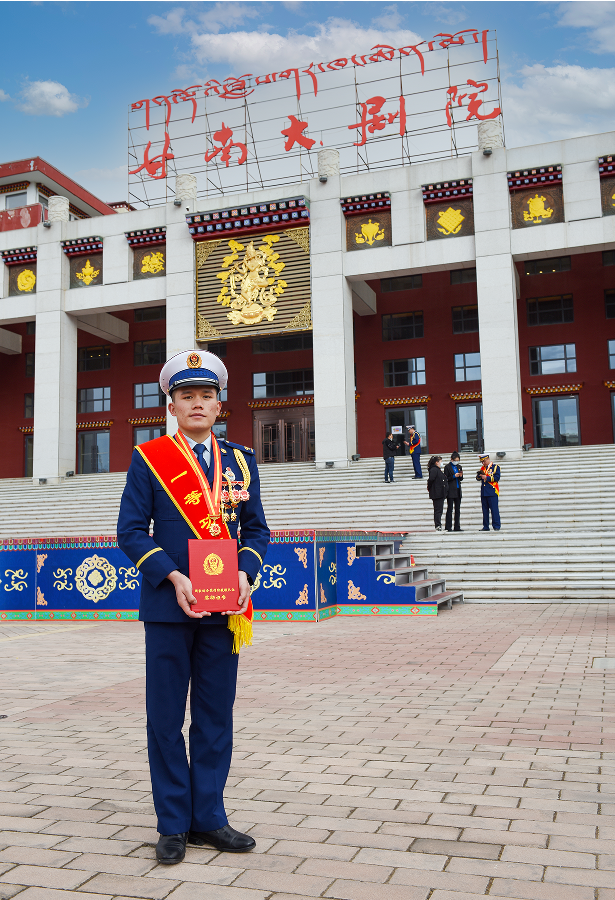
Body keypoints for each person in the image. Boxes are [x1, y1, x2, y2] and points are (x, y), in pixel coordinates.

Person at [117, 350, 270, 865]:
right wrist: (174, 575)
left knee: (213, 715)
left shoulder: (242, 460)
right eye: (187, 396)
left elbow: (256, 530)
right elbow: (130, 531)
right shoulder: (149, 458)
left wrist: (246, 574)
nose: (198, 403)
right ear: (172, 405)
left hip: (225, 609)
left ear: (220, 403)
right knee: (164, 718)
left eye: (207, 395)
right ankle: (172, 822)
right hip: (167, 606)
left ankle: (209, 817)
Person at [476, 452, 501, 531]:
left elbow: (497, 478)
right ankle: (486, 526)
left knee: (494, 509)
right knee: (485, 510)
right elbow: (478, 478)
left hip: (492, 491)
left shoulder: (495, 467)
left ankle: (496, 526)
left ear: (488, 459)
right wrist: (479, 476)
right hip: (484, 492)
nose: (483, 463)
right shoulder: (482, 468)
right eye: (482, 462)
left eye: (484, 461)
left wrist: (486, 477)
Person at [427, 455, 448, 531]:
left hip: (440, 493)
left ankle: (438, 525)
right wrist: (429, 487)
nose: (441, 463)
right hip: (437, 493)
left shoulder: (438, 470)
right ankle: (438, 525)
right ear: (436, 462)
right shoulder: (434, 470)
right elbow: (431, 479)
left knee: (439, 510)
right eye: (440, 462)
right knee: (438, 510)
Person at [444, 451, 464, 532]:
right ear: (452, 459)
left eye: (458, 460)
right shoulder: (447, 467)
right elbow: (446, 479)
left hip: (458, 489)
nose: (457, 462)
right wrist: (453, 476)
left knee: (458, 509)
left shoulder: (459, 467)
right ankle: (448, 527)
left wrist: (460, 476)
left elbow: (461, 479)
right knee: (450, 509)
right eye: (455, 460)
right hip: (451, 490)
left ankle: (457, 526)